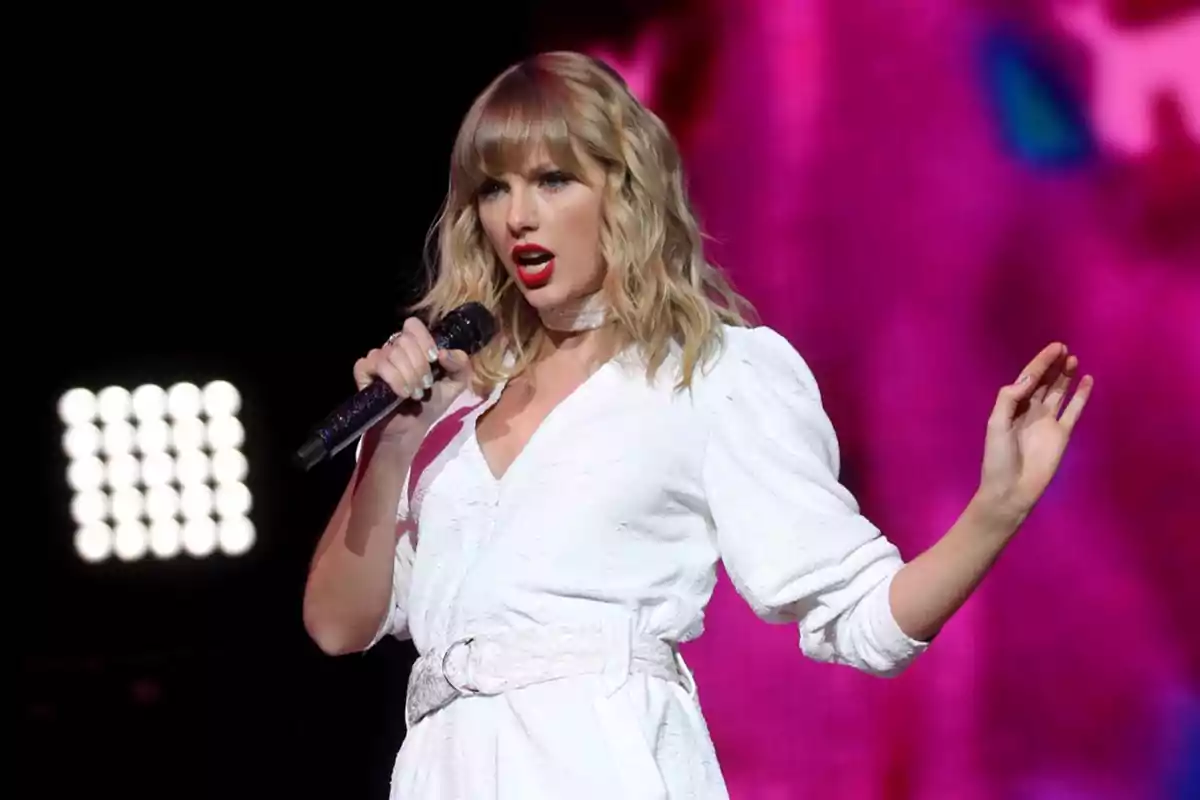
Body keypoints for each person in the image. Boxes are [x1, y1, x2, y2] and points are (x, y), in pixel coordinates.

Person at [301, 51, 1093, 799]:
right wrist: (395, 440)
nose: (519, 217)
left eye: (552, 180)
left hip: (604, 760)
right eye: (494, 189)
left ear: (623, 191)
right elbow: (338, 626)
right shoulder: (448, 410)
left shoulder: (708, 375)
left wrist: (995, 512)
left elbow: (861, 617)